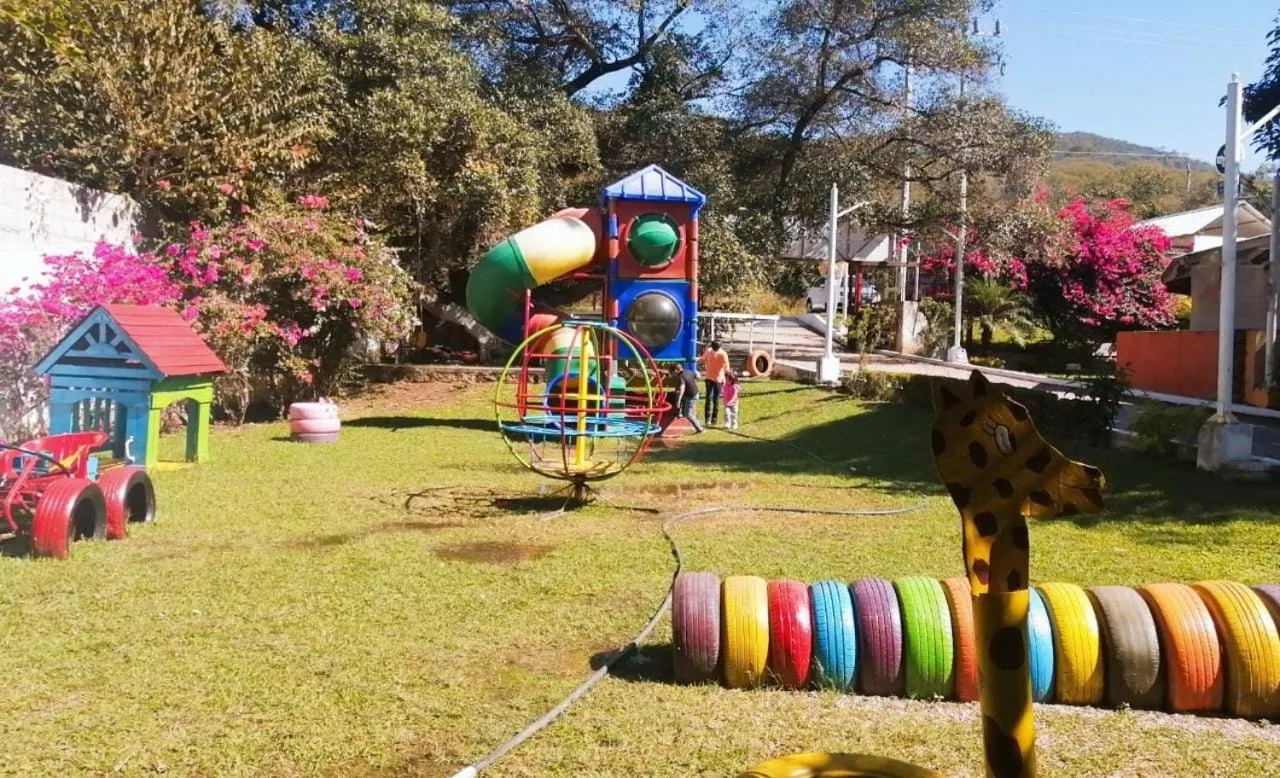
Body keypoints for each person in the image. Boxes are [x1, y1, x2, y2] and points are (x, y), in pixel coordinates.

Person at [698, 339, 730, 426]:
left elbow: (727, 367)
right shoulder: (709, 351)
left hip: (718, 379)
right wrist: (696, 359)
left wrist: (728, 377)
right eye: (713, 347)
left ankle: (713, 420)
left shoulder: (723, 354)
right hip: (709, 378)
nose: (713, 349)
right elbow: (702, 359)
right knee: (709, 399)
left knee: (715, 400)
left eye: (715, 348)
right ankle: (707, 419)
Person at [670, 363, 704, 434]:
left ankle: (700, 429)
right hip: (694, 394)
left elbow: (682, 387)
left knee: (688, 414)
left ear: (676, 370)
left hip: (692, 397)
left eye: (672, 373)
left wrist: (678, 401)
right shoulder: (689, 372)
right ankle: (680, 413)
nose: (672, 375)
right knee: (679, 395)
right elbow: (697, 375)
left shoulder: (681, 376)